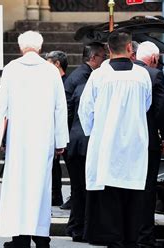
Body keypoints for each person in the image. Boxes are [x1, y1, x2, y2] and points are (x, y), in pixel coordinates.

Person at [0, 30, 69, 248]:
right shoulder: (51, 72)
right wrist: (61, 140)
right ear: (41, 48)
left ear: (19, 47)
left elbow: (1, 105)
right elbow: (60, 108)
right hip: (43, 138)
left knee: (18, 187)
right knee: (41, 188)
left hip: (19, 139)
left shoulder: (11, 69)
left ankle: (20, 238)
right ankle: (41, 237)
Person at [79, 31, 152, 248]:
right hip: (135, 145)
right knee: (132, 198)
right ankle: (130, 240)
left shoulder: (99, 76)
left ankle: (114, 240)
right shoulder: (142, 76)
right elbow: (146, 106)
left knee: (109, 199)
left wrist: (98, 133)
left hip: (106, 147)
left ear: (108, 50)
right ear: (130, 48)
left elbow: (85, 111)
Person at [63, 42, 106, 242]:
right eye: (103, 58)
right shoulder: (85, 79)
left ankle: (75, 227)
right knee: (83, 189)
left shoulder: (80, 76)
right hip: (82, 141)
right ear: (95, 57)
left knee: (78, 189)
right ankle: (80, 228)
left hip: (73, 140)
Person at [134, 41, 164, 248]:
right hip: (148, 142)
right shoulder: (154, 75)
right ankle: (145, 236)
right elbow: (161, 109)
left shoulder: (125, 73)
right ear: (155, 59)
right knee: (147, 190)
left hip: (125, 142)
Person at [46, 50, 68, 207]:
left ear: (57, 64)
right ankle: (55, 195)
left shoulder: (64, 82)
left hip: (62, 129)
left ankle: (56, 195)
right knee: (53, 166)